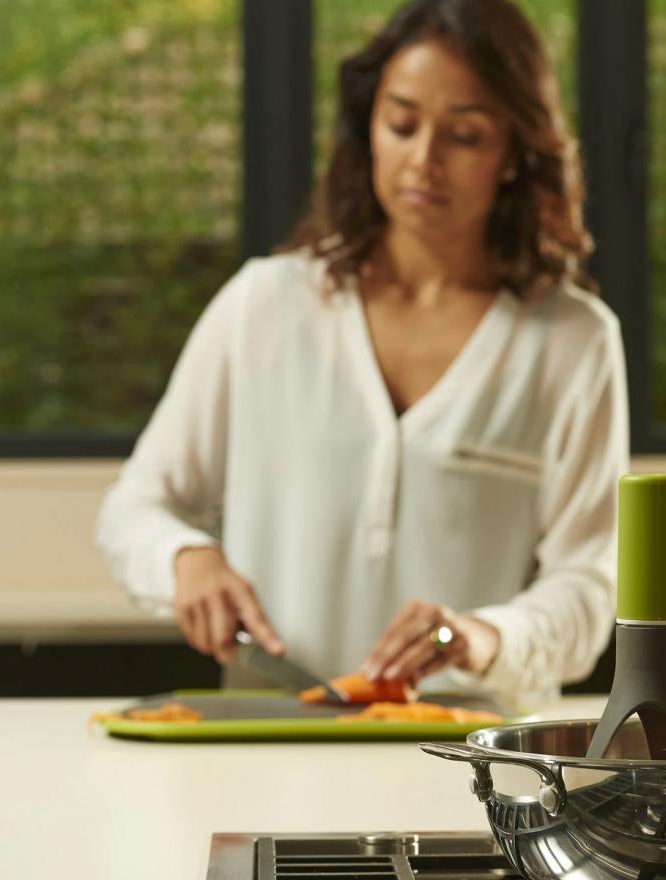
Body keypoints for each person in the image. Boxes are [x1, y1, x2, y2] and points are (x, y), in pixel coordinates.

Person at [95, 0, 628, 709]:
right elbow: (137, 507)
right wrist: (185, 560)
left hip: (478, 762)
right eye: (401, 124)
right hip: (267, 745)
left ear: (513, 155)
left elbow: (588, 588)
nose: (423, 159)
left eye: (464, 135)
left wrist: (477, 636)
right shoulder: (264, 305)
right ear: (367, 131)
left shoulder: (573, 342)